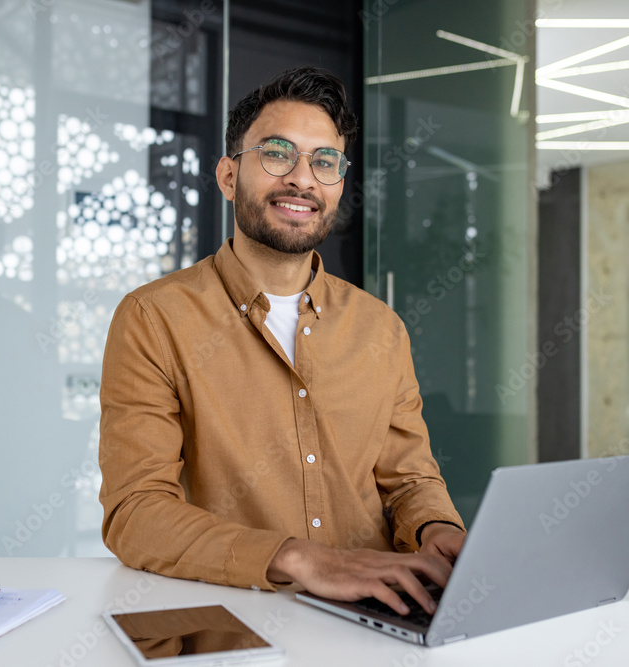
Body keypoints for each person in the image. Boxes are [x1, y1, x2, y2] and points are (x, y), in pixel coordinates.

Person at [98, 66, 465, 616]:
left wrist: (437, 528)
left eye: (324, 161)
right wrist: (299, 559)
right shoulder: (154, 318)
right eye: (277, 153)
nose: (302, 179)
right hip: (238, 617)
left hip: (383, 612)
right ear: (228, 176)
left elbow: (409, 478)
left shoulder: (380, 328)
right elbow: (136, 513)